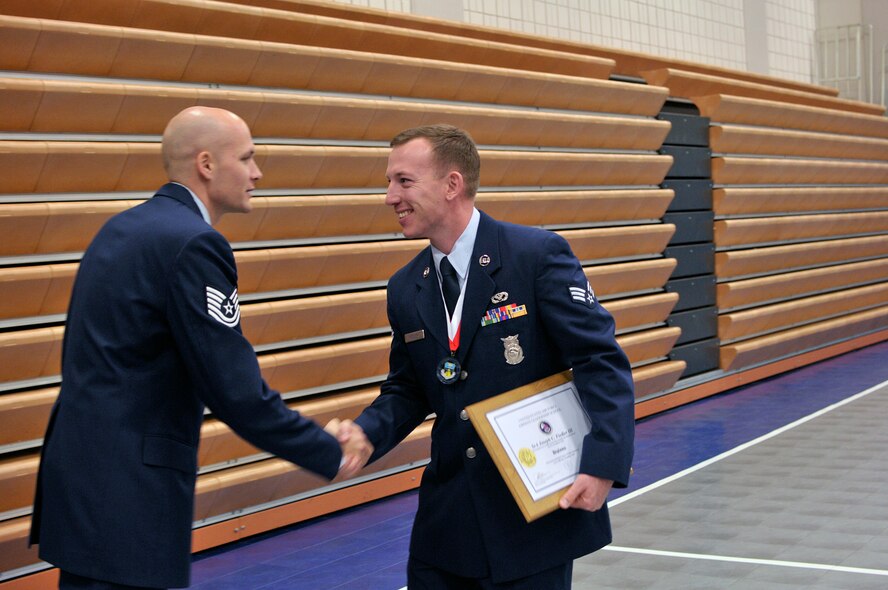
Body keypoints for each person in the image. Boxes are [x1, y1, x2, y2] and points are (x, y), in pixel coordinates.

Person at [29, 106, 372, 589]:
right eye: (247, 158)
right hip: (129, 495)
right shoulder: (194, 244)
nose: (257, 172)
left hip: (82, 483)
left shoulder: (121, 229)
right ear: (207, 165)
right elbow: (233, 389)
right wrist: (326, 450)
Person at [345, 124, 635, 588]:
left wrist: (602, 464)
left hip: (532, 517)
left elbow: (601, 361)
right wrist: (364, 434)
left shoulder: (535, 256)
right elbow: (409, 387)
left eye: (403, 181)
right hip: (448, 522)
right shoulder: (405, 286)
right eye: (389, 182)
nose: (389, 197)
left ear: (452, 184)